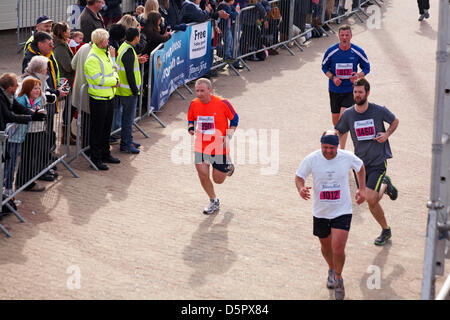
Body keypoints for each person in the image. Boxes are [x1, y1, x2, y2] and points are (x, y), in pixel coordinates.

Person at [295, 129, 366, 300]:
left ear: (337, 146)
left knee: (338, 248)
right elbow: (299, 177)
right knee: (326, 248)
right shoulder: (312, 159)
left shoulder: (347, 157)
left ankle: (339, 278)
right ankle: (331, 269)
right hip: (321, 212)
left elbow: (361, 167)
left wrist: (362, 188)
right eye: (324, 147)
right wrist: (301, 188)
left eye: (331, 148)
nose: (327, 151)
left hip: (342, 210)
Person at [335, 78, 399, 246]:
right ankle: (386, 185)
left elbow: (395, 121)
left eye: (360, 92)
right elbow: (340, 131)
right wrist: (337, 149)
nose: (357, 95)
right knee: (368, 199)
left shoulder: (378, 110)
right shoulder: (348, 114)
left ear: (367, 93)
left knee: (371, 199)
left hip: (378, 161)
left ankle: (386, 230)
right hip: (360, 165)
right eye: (355, 92)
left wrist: (386, 135)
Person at [187, 78, 239, 214]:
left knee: (218, 180)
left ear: (210, 90)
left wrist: (228, 136)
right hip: (201, 146)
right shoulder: (194, 104)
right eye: (197, 91)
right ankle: (213, 201)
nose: (199, 94)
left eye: (202, 91)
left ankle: (228, 167)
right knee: (202, 173)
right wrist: (190, 127)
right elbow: (190, 118)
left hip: (218, 147)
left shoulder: (223, 103)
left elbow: (235, 119)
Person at [321, 24, 370, 149]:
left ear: (351, 36)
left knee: (343, 119)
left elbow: (367, 67)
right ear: (338, 36)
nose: (344, 38)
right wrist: (333, 78)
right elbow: (324, 67)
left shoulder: (357, 51)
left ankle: (340, 150)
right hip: (334, 90)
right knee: (336, 123)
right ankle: (337, 145)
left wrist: (358, 75)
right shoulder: (331, 51)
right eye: (342, 35)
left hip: (349, 90)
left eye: (347, 35)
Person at [0, 73, 46, 192]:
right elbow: (9, 116)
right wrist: (30, 118)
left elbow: (18, 108)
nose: (17, 87)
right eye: (16, 85)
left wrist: (33, 114)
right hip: (8, 137)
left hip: (10, 137)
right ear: (9, 87)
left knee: (11, 164)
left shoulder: (9, 96)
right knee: (8, 165)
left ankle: (8, 192)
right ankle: (6, 191)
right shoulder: (2, 97)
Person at [84, 28, 121, 170]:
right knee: (97, 130)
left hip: (108, 97)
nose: (109, 41)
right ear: (100, 42)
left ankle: (106, 153)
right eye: (107, 39)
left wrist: (114, 78)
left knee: (106, 129)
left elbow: (113, 69)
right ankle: (96, 158)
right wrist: (114, 81)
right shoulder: (93, 58)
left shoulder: (104, 54)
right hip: (98, 99)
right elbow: (97, 79)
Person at [116, 27, 148, 154]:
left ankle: (128, 139)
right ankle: (126, 144)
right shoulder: (128, 51)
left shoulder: (124, 46)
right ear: (136, 38)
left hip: (123, 90)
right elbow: (130, 73)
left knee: (127, 119)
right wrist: (135, 90)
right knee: (128, 119)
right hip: (128, 91)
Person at [52, 22, 77, 145]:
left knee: (71, 107)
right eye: (68, 30)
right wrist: (77, 62)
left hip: (68, 80)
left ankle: (68, 132)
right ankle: (65, 135)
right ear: (62, 32)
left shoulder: (63, 45)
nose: (70, 31)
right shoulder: (60, 48)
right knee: (69, 108)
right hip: (65, 81)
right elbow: (68, 66)